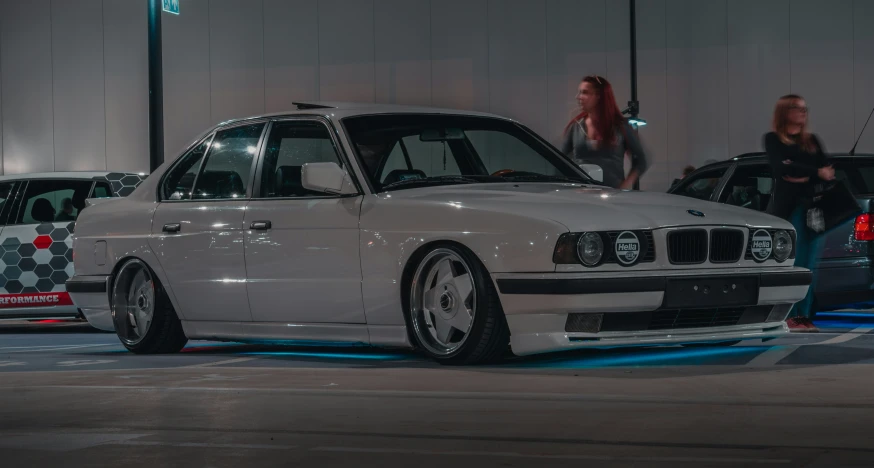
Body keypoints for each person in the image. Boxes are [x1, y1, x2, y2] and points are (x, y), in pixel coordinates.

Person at [764, 94, 835, 332]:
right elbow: (780, 169)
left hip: (813, 210)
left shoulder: (812, 141)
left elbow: (828, 170)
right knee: (792, 263)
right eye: (797, 108)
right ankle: (791, 315)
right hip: (789, 209)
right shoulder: (774, 139)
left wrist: (802, 173)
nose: (803, 112)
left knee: (809, 264)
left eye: (805, 108)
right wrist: (814, 172)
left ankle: (804, 315)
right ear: (785, 112)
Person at [561, 75, 649, 189]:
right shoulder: (576, 127)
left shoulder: (620, 127)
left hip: (613, 193)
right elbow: (561, 161)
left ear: (599, 96)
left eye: (585, 92)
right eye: (579, 92)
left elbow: (641, 161)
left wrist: (626, 184)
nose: (578, 97)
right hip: (582, 193)